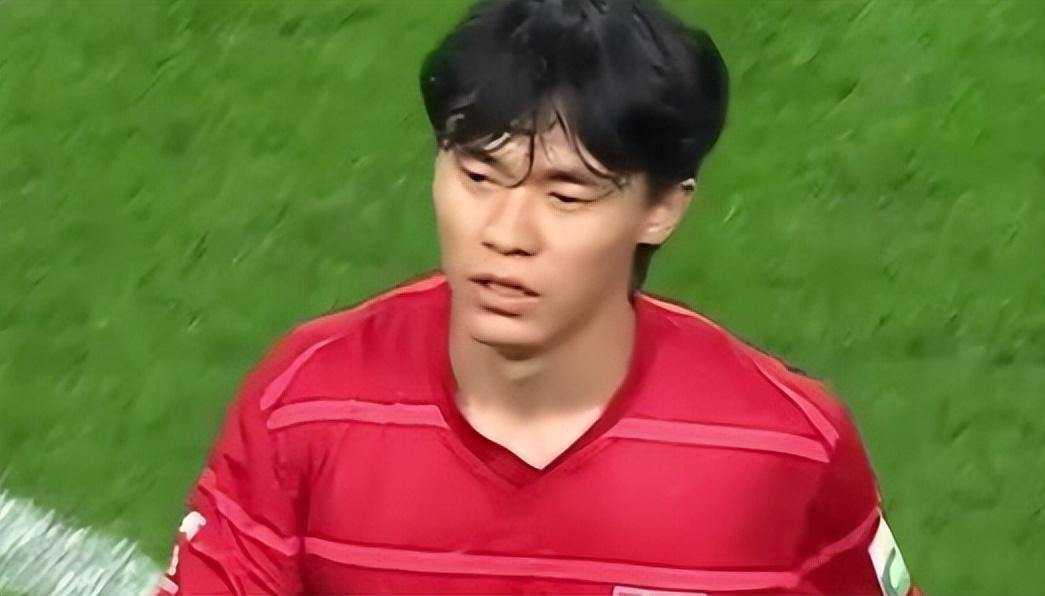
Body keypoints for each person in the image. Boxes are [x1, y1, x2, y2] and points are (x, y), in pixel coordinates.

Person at [158, 0, 920, 594]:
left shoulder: (784, 450)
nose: (506, 233)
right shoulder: (306, 408)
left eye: (566, 194)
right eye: (478, 176)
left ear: (662, 208)